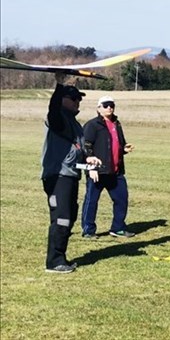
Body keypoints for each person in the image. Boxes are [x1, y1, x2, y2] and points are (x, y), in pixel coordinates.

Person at [42, 75, 102, 273]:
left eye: (80, 99)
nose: (79, 102)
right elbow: (52, 110)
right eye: (74, 98)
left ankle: (61, 257)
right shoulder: (57, 118)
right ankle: (54, 262)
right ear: (63, 100)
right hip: (58, 175)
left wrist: (88, 160)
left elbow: (77, 149)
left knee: (70, 216)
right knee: (61, 218)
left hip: (70, 175)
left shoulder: (74, 124)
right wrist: (59, 85)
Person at [81, 96, 135, 239]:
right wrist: (90, 168)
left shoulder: (116, 124)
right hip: (97, 171)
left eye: (111, 105)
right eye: (105, 105)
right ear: (98, 108)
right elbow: (85, 146)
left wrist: (124, 149)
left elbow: (118, 144)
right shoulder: (92, 125)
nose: (109, 108)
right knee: (92, 201)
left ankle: (117, 228)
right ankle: (88, 230)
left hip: (115, 171)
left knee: (122, 199)